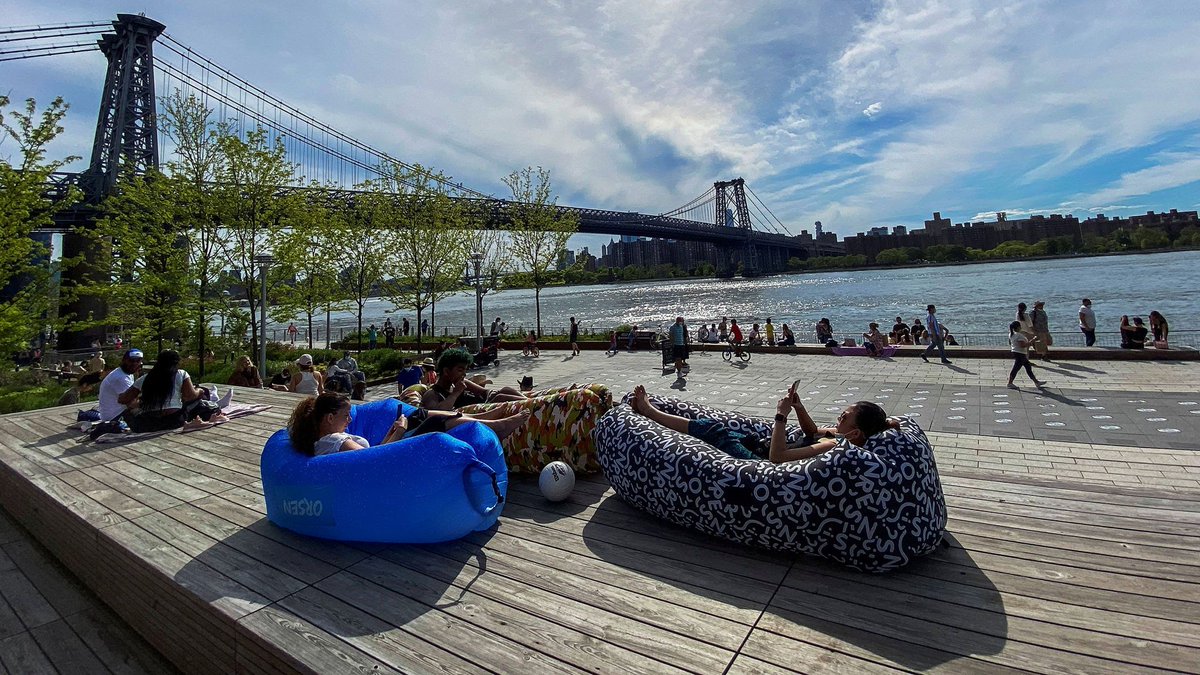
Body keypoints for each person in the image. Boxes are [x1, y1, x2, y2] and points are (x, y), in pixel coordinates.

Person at [628, 384, 899, 465]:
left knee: (711, 429)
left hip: (761, 460)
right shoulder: (841, 437)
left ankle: (648, 410)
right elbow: (810, 432)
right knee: (717, 427)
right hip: (759, 446)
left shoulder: (833, 444)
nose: (838, 418)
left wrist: (781, 416)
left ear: (855, 432)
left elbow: (778, 457)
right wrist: (799, 406)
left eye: (844, 417)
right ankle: (665, 419)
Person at [287, 392, 531, 456]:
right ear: (329, 419)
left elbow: (369, 454)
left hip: (388, 451)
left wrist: (394, 431)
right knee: (433, 422)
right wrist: (400, 432)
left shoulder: (326, 442)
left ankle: (483, 418)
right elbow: (370, 461)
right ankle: (496, 426)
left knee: (418, 416)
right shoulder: (336, 441)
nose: (350, 420)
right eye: (345, 416)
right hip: (394, 459)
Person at [118, 350, 227, 432]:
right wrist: (199, 391)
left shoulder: (145, 378)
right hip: (174, 421)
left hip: (148, 422)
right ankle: (215, 403)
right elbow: (190, 396)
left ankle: (215, 401)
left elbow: (123, 399)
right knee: (198, 400)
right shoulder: (181, 374)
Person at [421, 348, 527, 410]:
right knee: (501, 397)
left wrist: (491, 395)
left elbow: (485, 392)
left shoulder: (463, 383)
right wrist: (455, 393)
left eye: (465, 370)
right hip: (479, 414)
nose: (464, 374)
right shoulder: (433, 394)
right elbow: (436, 413)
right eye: (460, 370)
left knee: (505, 390)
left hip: (485, 405)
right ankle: (534, 404)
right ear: (446, 371)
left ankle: (530, 402)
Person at [98, 349, 144, 423]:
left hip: (112, 413)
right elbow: (132, 403)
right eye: (132, 361)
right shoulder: (121, 378)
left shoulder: (124, 373)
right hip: (115, 417)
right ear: (124, 360)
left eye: (138, 361)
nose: (135, 364)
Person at [1006, 321, 1045, 389]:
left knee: (1027, 367)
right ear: (1018, 327)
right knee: (1017, 368)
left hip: (1016, 352)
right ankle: (1010, 383)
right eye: (1020, 326)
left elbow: (1011, 343)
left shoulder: (1011, 334)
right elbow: (1023, 345)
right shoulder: (1019, 335)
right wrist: (1033, 340)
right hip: (1020, 353)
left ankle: (1036, 382)